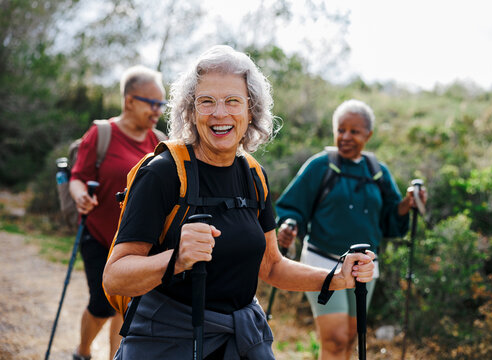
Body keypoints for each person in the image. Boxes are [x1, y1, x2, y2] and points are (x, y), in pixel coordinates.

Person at [102, 45, 375, 360]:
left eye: (233, 101)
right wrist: (175, 259)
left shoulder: (253, 174)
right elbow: (114, 276)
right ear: (190, 111)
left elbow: (271, 266)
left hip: (241, 341)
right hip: (168, 342)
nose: (220, 113)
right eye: (206, 101)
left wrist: (336, 277)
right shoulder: (163, 174)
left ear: (251, 110)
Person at [275, 99, 427, 360]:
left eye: (354, 132)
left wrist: (407, 204)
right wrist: (288, 226)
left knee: (349, 340)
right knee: (334, 340)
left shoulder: (377, 172)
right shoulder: (320, 166)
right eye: (340, 130)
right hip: (323, 261)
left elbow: (391, 219)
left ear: (368, 135)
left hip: (365, 267)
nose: (345, 137)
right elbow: (291, 207)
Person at [69, 65, 167, 360]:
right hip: (98, 235)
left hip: (136, 241)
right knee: (102, 303)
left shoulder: (156, 141)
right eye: (152, 103)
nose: (158, 111)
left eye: (161, 104)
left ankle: (116, 356)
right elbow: (77, 176)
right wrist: (80, 196)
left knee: (126, 306)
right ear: (129, 101)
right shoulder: (101, 133)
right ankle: (83, 352)